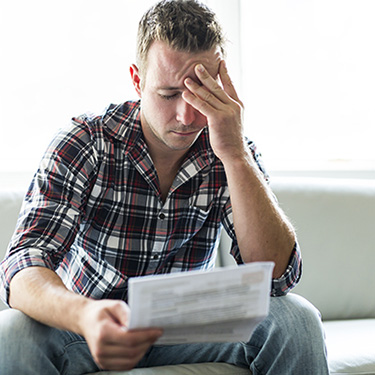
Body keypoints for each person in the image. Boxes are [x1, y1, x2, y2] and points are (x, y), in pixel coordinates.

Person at [0, 0, 329, 374]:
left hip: (187, 326)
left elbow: (276, 277)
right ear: (138, 80)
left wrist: (235, 155)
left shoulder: (230, 147)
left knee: (296, 318)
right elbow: (23, 265)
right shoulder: (87, 141)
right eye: (170, 94)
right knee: (12, 331)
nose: (187, 116)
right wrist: (85, 316)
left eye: (200, 93)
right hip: (87, 325)